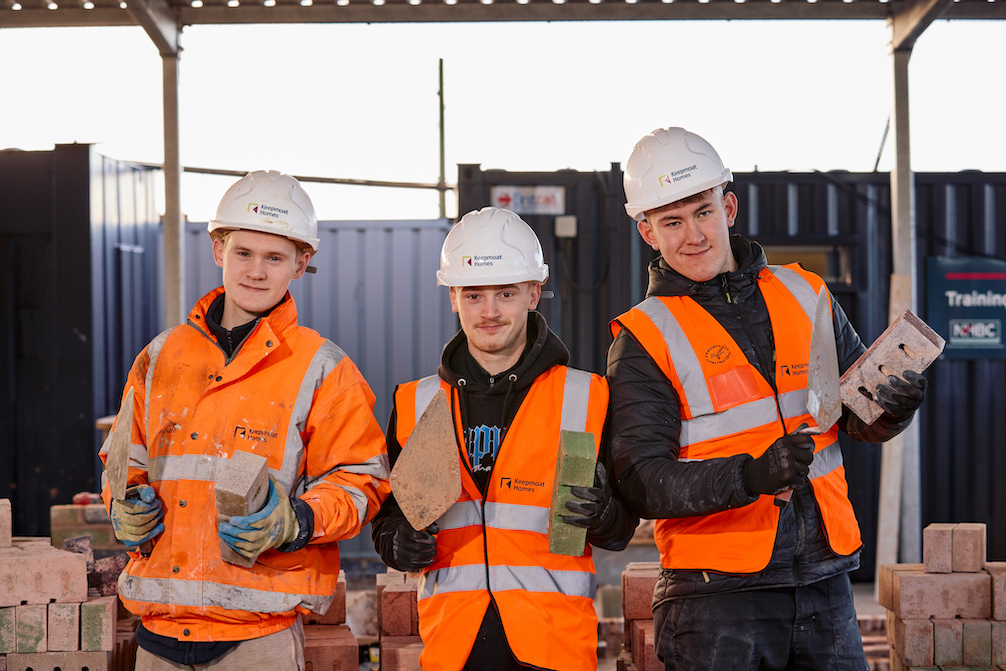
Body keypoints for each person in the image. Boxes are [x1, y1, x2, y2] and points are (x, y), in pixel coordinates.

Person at [607, 127, 929, 671]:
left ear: (728, 206)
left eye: (703, 212)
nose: (694, 235)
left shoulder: (805, 293)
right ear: (647, 232)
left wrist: (894, 403)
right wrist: (749, 477)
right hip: (715, 600)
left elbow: (852, 416)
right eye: (672, 221)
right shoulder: (643, 338)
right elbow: (639, 480)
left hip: (824, 583)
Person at [99, 170, 391, 670]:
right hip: (158, 635)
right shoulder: (160, 356)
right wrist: (122, 505)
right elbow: (124, 459)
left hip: (260, 641)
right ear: (218, 250)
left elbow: (362, 481)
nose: (256, 271)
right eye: (243, 253)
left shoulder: (322, 368)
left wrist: (297, 521)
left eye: (274, 257)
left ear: (300, 263)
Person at [371, 207, 638, 671]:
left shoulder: (587, 397)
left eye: (506, 293)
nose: (489, 311)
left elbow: (620, 530)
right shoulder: (415, 403)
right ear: (453, 296)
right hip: (454, 648)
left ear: (534, 293)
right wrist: (397, 542)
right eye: (474, 294)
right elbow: (389, 516)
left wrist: (602, 514)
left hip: (553, 647)